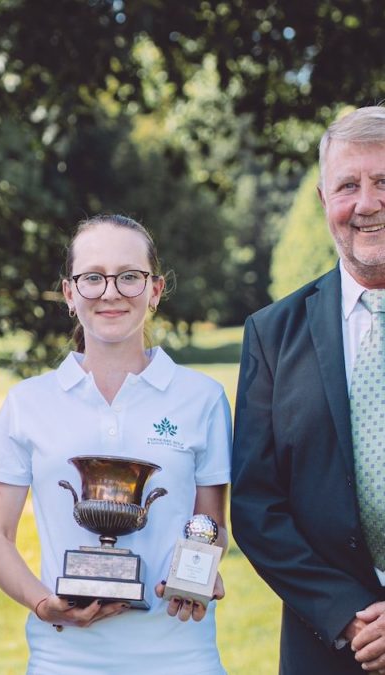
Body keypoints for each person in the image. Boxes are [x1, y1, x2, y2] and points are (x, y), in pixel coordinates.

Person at [0, 214, 231, 674]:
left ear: (154, 290)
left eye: (129, 277)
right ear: (70, 293)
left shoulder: (202, 398)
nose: (111, 292)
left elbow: (209, 525)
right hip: (64, 660)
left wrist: (200, 571)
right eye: (93, 277)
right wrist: (43, 603)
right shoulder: (27, 403)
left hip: (181, 658)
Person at [231, 105, 385, 674]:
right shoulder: (271, 335)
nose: (366, 203)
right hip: (326, 645)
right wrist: (348, 613)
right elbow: (255, 505)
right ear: (324, 201)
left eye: (383, 182)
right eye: (348, 185)